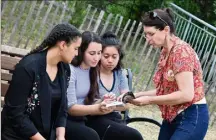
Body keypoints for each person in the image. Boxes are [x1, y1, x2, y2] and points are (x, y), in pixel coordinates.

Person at [129, 8, 209, 140]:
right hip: (172, 117)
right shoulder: (165, 51)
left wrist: (148, 100)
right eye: (145, 35)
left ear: (166, 30)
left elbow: (186, 94)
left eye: (151, 34)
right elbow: (166, 91)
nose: (147, 39)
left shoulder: (181, 52)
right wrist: (136, 95)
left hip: (191, 116)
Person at [1, 23, 82, 140]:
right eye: (75, 48)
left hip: (45, 134)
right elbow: (16, 114)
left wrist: (60, 136)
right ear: (63, 45)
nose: (77, 53)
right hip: (16, 135)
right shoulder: (28, 67)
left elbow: (62, 108)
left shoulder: (64, 69)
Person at [86, 31, 143, 140]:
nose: (110, 61)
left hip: (114, 117)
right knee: (134, 136)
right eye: (106, 56)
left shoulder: (120, 73)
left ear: (119, 57)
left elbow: (126, 102)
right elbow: (86, 102)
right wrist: (102, 104)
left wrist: (113, 105)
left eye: (114, 57)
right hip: (95, 117)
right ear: (99, 55)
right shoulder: (92, 71)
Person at [65, 31, 104, 140]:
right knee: (91, 137)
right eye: (92, 53)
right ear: (81, 51)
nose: (96, 58)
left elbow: (91, 100)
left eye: (99, 53)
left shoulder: (93, 70)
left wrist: (104, 101)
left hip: (84, 117)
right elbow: (70, 108)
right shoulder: (71, 70)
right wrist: (97, 108)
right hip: (66, 119)